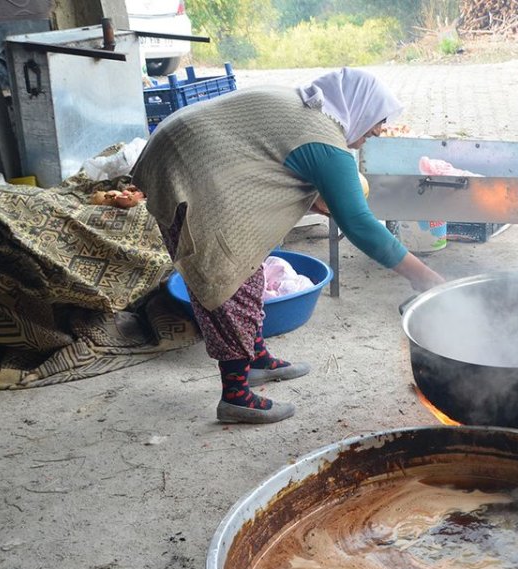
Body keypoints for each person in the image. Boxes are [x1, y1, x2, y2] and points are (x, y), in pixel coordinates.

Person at [133, 68, 445, 424]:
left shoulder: (310, 109)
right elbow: (360, 226)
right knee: (229, 276)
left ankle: (255, 358)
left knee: (250, 264)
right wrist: (424, 277)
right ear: (358, 107)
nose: (377, 130)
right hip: (184, 167)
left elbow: (271, 164)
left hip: (185, 149)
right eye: (377, 121)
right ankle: (235, 396)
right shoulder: (325, 142)